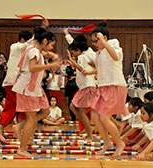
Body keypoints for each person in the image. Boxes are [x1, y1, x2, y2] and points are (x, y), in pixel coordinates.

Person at [12, 29, 61, 157]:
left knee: (45, 111)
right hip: (27, 88)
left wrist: (53, 58)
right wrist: (49, 65)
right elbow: (32, 68)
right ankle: (22, 148)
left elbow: (45, 55)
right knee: (32, 118)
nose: (51, 48)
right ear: (45, 41)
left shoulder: (36, 50)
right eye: (50, 44)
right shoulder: (33, 50)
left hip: (34, 88)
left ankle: (19, 127)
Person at [88, 22, 128, 157]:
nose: (94, 43)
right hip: (103, 87)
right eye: (93, 41)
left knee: (105, 118)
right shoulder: (99, 53)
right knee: (94, 114)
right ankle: (107, 143)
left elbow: (115, 57)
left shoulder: (115, 46)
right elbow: (99, 67)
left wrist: (104, 42)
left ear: (103, 37)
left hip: (115, 86)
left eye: (96, 40)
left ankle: (119, 143)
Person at [0, 30, 33, 136]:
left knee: (11, 106)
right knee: (23, 106)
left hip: (16, 82)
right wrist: (40, 32)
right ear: (22, 40)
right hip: (14, 82)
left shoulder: (27, 50)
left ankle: (1, 129)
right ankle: (19, 130)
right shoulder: (15, 46)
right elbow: (27, 45)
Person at [64, 33, 97, 139]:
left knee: (79, 110)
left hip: (88, 87)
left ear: (77, 49)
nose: (72, 54)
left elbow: (82, 70)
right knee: (73, 107)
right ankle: (88, 129)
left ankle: (89, 133)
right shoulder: (84, 56)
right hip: (86, 87)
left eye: (73, 51)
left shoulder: (82, 57)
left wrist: (73, 62)